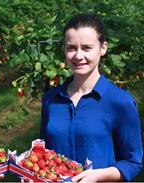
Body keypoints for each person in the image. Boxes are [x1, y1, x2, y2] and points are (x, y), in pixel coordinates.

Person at [40, 13, 143, 182]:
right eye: (71, 48)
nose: (78, 56)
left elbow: (133, 162)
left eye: (87, 48)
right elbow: (44, 152)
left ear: (103, 48)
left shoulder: (120, 102)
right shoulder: (51, 99)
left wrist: (99, 175)